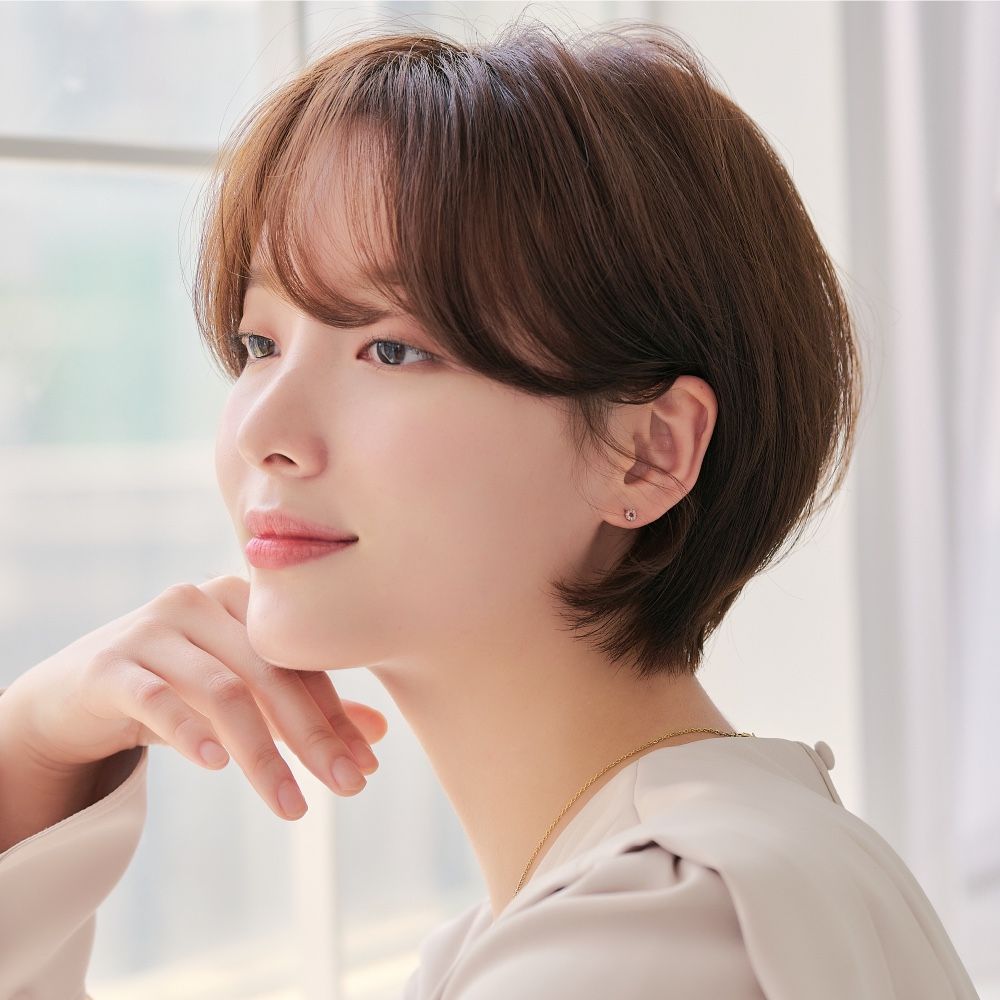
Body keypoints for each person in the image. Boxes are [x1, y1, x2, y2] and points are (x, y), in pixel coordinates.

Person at [0, 17, 981, 1000]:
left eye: (390, 349)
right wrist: (34, 749)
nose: (263, 430)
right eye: (260, 343)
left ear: (647, 451)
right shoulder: (670, 885)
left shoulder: (640, 942)